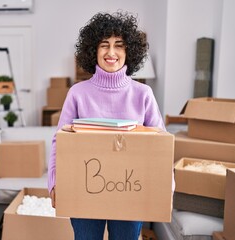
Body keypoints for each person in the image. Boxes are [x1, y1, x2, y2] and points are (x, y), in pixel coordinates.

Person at [48, 11, 166, 240]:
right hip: (84, 189)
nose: (111, 53)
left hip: (131, 192)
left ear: (128, 51)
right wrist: (54, 182)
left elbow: (161, 144)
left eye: (119, 46)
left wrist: (165, 184)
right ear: (93, 50)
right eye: (104, 45)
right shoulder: (77, 94)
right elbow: (59, 142)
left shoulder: (143, 94)